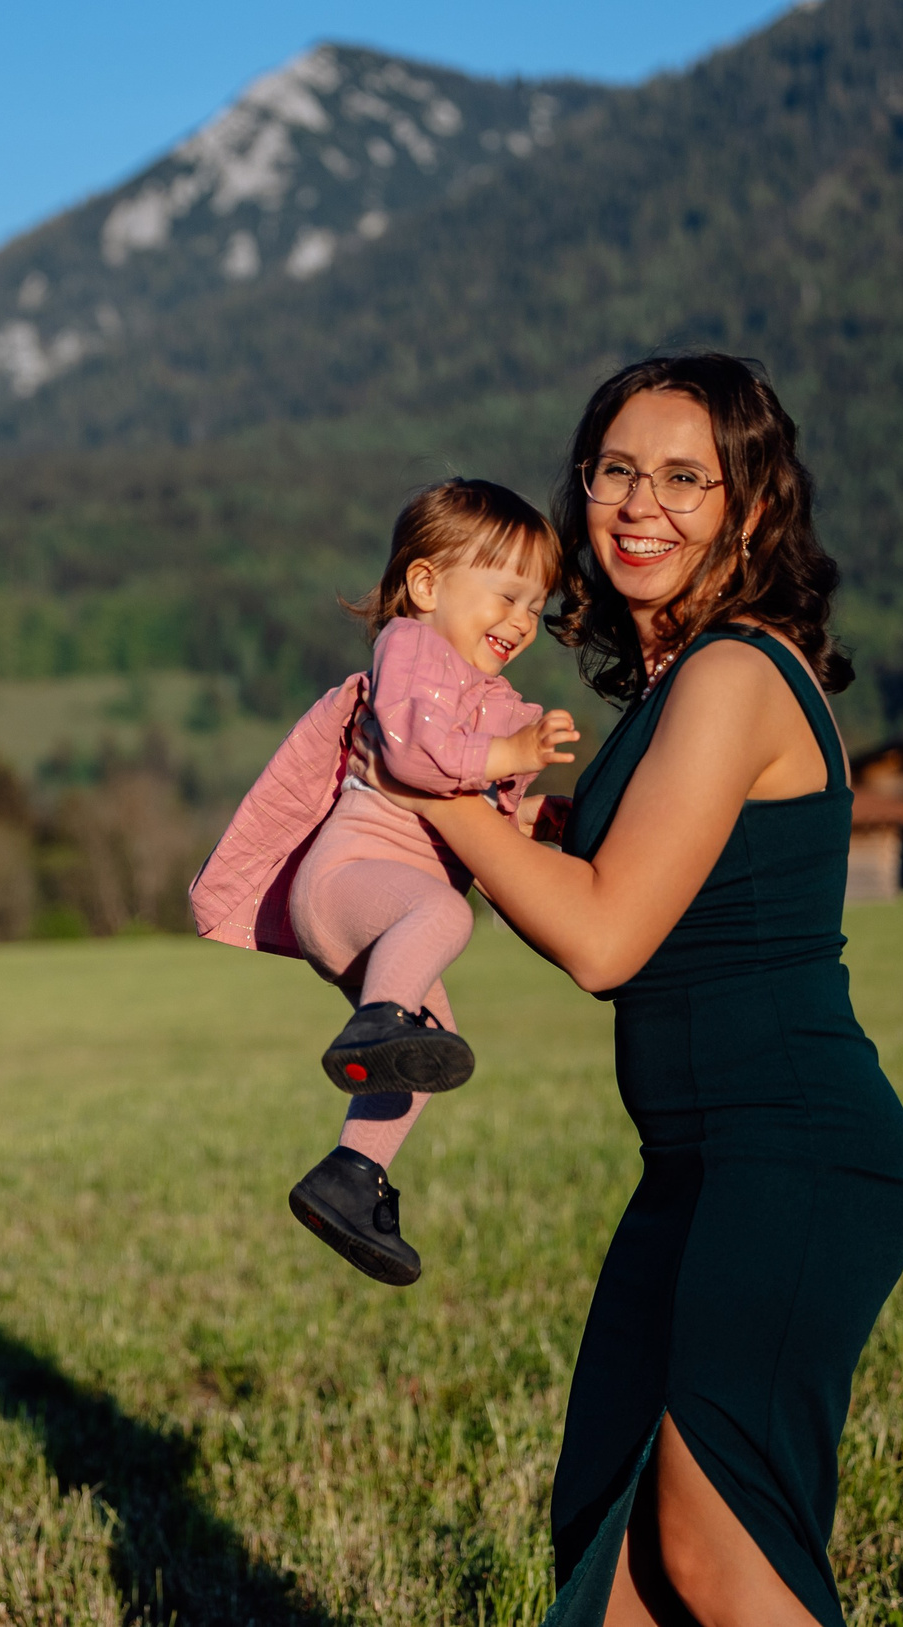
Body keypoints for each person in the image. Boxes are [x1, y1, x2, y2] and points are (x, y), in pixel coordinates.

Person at [351, 356, 903, 1626]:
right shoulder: (674, 688)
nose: (638, 505)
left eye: (684, 478)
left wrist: (429, 790)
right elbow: (608, 879)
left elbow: (606, 939)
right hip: (693, 1167)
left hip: (794, 1156)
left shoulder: (732, 676)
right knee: (609, 1577)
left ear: (750, 510)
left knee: (714, 1552)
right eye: (615, 471)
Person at [191, 479, 578, 1286]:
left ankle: (349, 1178)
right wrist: (508, 755)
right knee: (444, 915)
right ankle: (375, 1023)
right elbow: (412, 760)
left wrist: (537, 816)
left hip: (385, 918)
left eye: (535, 608)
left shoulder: (493, 700)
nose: (520, 622)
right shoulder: (412, 647)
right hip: (351, 879)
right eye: (505, 596)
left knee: (431, 1044)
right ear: (428, 585)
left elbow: (473, 818)